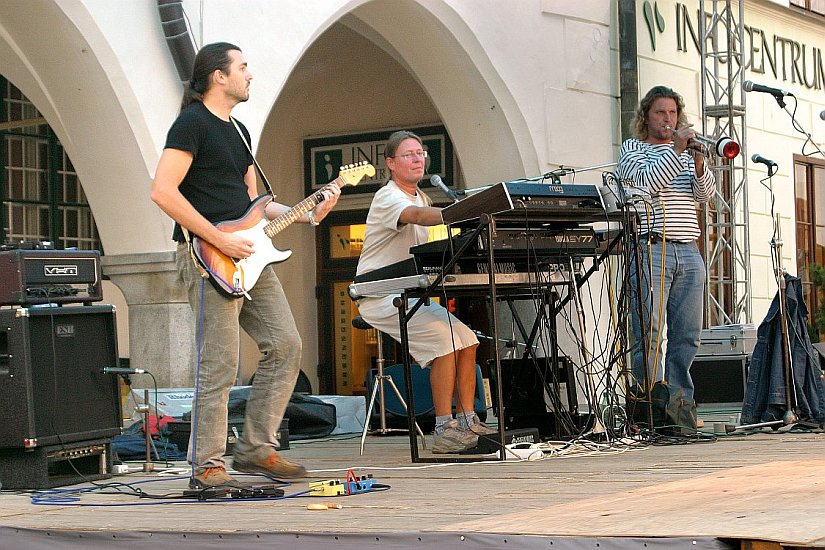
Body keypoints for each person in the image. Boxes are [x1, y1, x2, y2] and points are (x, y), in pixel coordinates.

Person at [150, 42, 341, 489]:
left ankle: (255, 449)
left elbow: (255, 205)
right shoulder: (191, 123)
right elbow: (162, 191)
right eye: (243, 66)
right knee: (219, 364)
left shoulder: (239, 131)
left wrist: (309, 210)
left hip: (247, 254)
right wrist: (216, 237)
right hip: (207, 256)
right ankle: (207, 467)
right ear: (219, 76)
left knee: (286, 345)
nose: (250, 74)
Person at [354, 130, 495, 453]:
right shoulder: (388, 196)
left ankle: (467, 419)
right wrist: (459, 214)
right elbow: (415, 217)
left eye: (420, 153)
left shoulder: (422, 196)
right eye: (409, 154)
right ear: (390, 163)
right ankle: (444, 428)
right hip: (380, 295)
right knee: (445, 344)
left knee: (468, 340)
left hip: (409, 293)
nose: (418, 159)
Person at [616, 85, 715, 429]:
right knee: (650, 332)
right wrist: (676, 150)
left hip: (689, 250)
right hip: (651, 247)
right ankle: (650, 407)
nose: (668, 119)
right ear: (646, 116)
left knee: (688, 334)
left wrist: (699, 161)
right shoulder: (634, 150)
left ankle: (682, 408)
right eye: (661, 113)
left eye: (673, 113)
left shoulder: (687, 155)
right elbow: (647, 184)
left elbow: (705, 196)